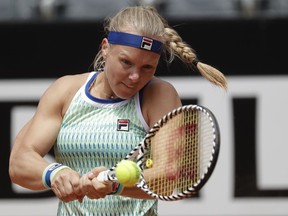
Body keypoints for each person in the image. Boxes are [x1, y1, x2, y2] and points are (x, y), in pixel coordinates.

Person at [9, 5, 227, 216]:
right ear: (105, 48)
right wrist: (56, 173)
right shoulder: (66, 90)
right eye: (126, 62)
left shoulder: (159, 96)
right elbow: (19, 162)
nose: (135, 76)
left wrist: (114, 184)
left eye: (147, 67)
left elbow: (171, 177)